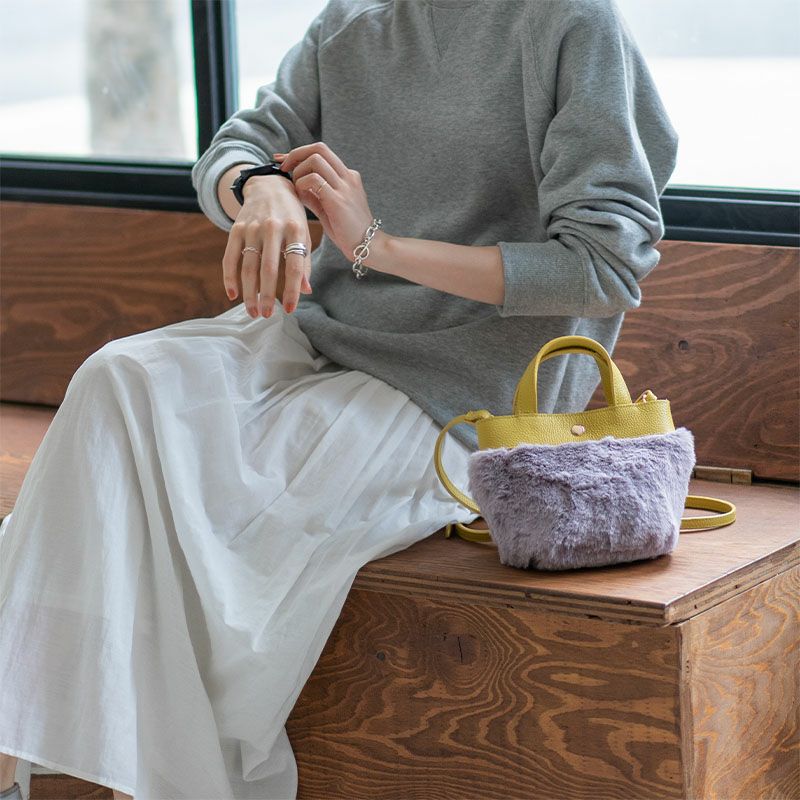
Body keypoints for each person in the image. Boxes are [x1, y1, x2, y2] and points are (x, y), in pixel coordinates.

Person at [0, 0, 679, 798]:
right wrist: (263, 189)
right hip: (317, 340)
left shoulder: (569, 24)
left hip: (462, 393)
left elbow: (603, 264)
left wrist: (374, 245)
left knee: (207, 519)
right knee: (119, 379)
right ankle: (28, 764)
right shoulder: (353, 21)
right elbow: (237, 146)